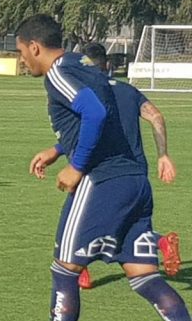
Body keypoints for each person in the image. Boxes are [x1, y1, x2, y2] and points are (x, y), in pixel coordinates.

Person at [12, 14, 192, 321]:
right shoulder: (85, 66)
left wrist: (76, 167)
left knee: (65, 270)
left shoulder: (58, 73)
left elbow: (94, 115)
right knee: (146, 276)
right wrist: (59, 149)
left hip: (101, 181)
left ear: (35, 47)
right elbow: (102, 114)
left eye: (21, 52)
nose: (22, 60)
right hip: (135, 183)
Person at [75, 42, 180, 289]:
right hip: (137, 174)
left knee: (79, 221)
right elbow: (156, 116)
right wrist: (163, 155)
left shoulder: (85, 95)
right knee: (131, 225)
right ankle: (161, 243)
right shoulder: (128, 91)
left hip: (102, 172)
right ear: (108, 66)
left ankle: (80, 270)